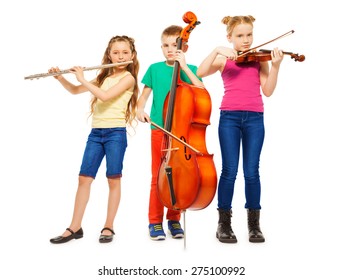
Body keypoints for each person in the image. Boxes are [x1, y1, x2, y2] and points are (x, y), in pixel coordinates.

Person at [197, 16, 284, 243]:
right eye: (240, 36)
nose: (246, 41)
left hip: (255, 119)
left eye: (249, 35)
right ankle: (223, 224)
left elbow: (268, 91)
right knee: (229, 171)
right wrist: (217, 49)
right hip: (230, 118)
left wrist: (275, 66)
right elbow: (200, 72)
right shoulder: (224, 59)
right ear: (229, 37)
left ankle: (254, 225)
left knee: (252, 172)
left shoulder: (258, 60)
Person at [49, 35, 139, 244]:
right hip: (96, 134)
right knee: (84, 179)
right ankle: (75, 227)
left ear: (132, 56)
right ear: (109, 54)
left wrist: (82, 78)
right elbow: (74, 91)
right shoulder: (102, 77)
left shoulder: (128, 78)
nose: (120, 56)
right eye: (115, 52)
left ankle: (109, 226)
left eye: (125, 52)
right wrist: (61, 78)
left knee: (113, 179)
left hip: (115, 133)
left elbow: (105, 96)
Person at [137, 25, 204, 241]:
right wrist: (139, 110)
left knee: (178, 176)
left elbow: (201, 91)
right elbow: (143, 97)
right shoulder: (154, 69)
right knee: (158, 176)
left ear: (184, 46)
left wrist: (183, 67)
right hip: (159, 130)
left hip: (182, 132)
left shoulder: (190, 68)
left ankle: (174, 219)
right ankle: (155, 221)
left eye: (174, 45)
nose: (169, 50)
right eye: (165, 46)